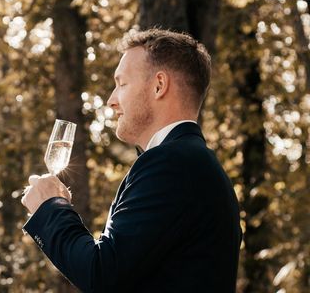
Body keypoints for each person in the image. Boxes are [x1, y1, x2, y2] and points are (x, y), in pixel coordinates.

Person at [21, 28, 242, 292]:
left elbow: (101, 273)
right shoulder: (193, 162)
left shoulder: (171, 164)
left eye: (122, 83)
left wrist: (50, 208)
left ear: (159, 85)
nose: (111, 100)